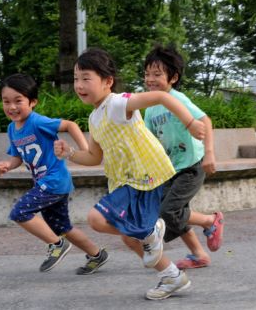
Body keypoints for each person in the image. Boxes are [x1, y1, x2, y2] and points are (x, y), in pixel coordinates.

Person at [53, 48, 206, 300]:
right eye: (76, 79)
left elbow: (161, 97)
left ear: (108, 81)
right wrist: (68, 153)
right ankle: (171, 276)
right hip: (125, 180)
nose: (79, 85)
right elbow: (94, 157)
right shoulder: (94, 117)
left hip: (143, 177)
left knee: (96, 219)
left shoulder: (118, 103)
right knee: (127, 236)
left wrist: (189, 123)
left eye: (86, 78)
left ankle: (148, 231)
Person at [0, 73, 109, 275]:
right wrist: (7, 165)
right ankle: (96, 254)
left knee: (20, 212)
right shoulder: (12, 129)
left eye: (18, 101)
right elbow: (17, 158)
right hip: (47, 183)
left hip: (54, 181)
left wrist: (85, 150)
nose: (12, 107)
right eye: (6, 102)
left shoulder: (37, 122)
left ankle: (57, 245)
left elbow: (70, 125)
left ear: (32, 102)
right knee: (63, 227)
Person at [142, 45, 224, 269]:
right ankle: (199, 254)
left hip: (191, 166)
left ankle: (210, 221)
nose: (150, 79)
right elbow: (151, 142)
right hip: (171, 169)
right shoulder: (149, 108)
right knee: (173, 212)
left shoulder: (176, 98)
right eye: (147, 74)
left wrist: (209, 154)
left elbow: (205, 121)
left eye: (157, 74)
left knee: (168, 212)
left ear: (173, 78)